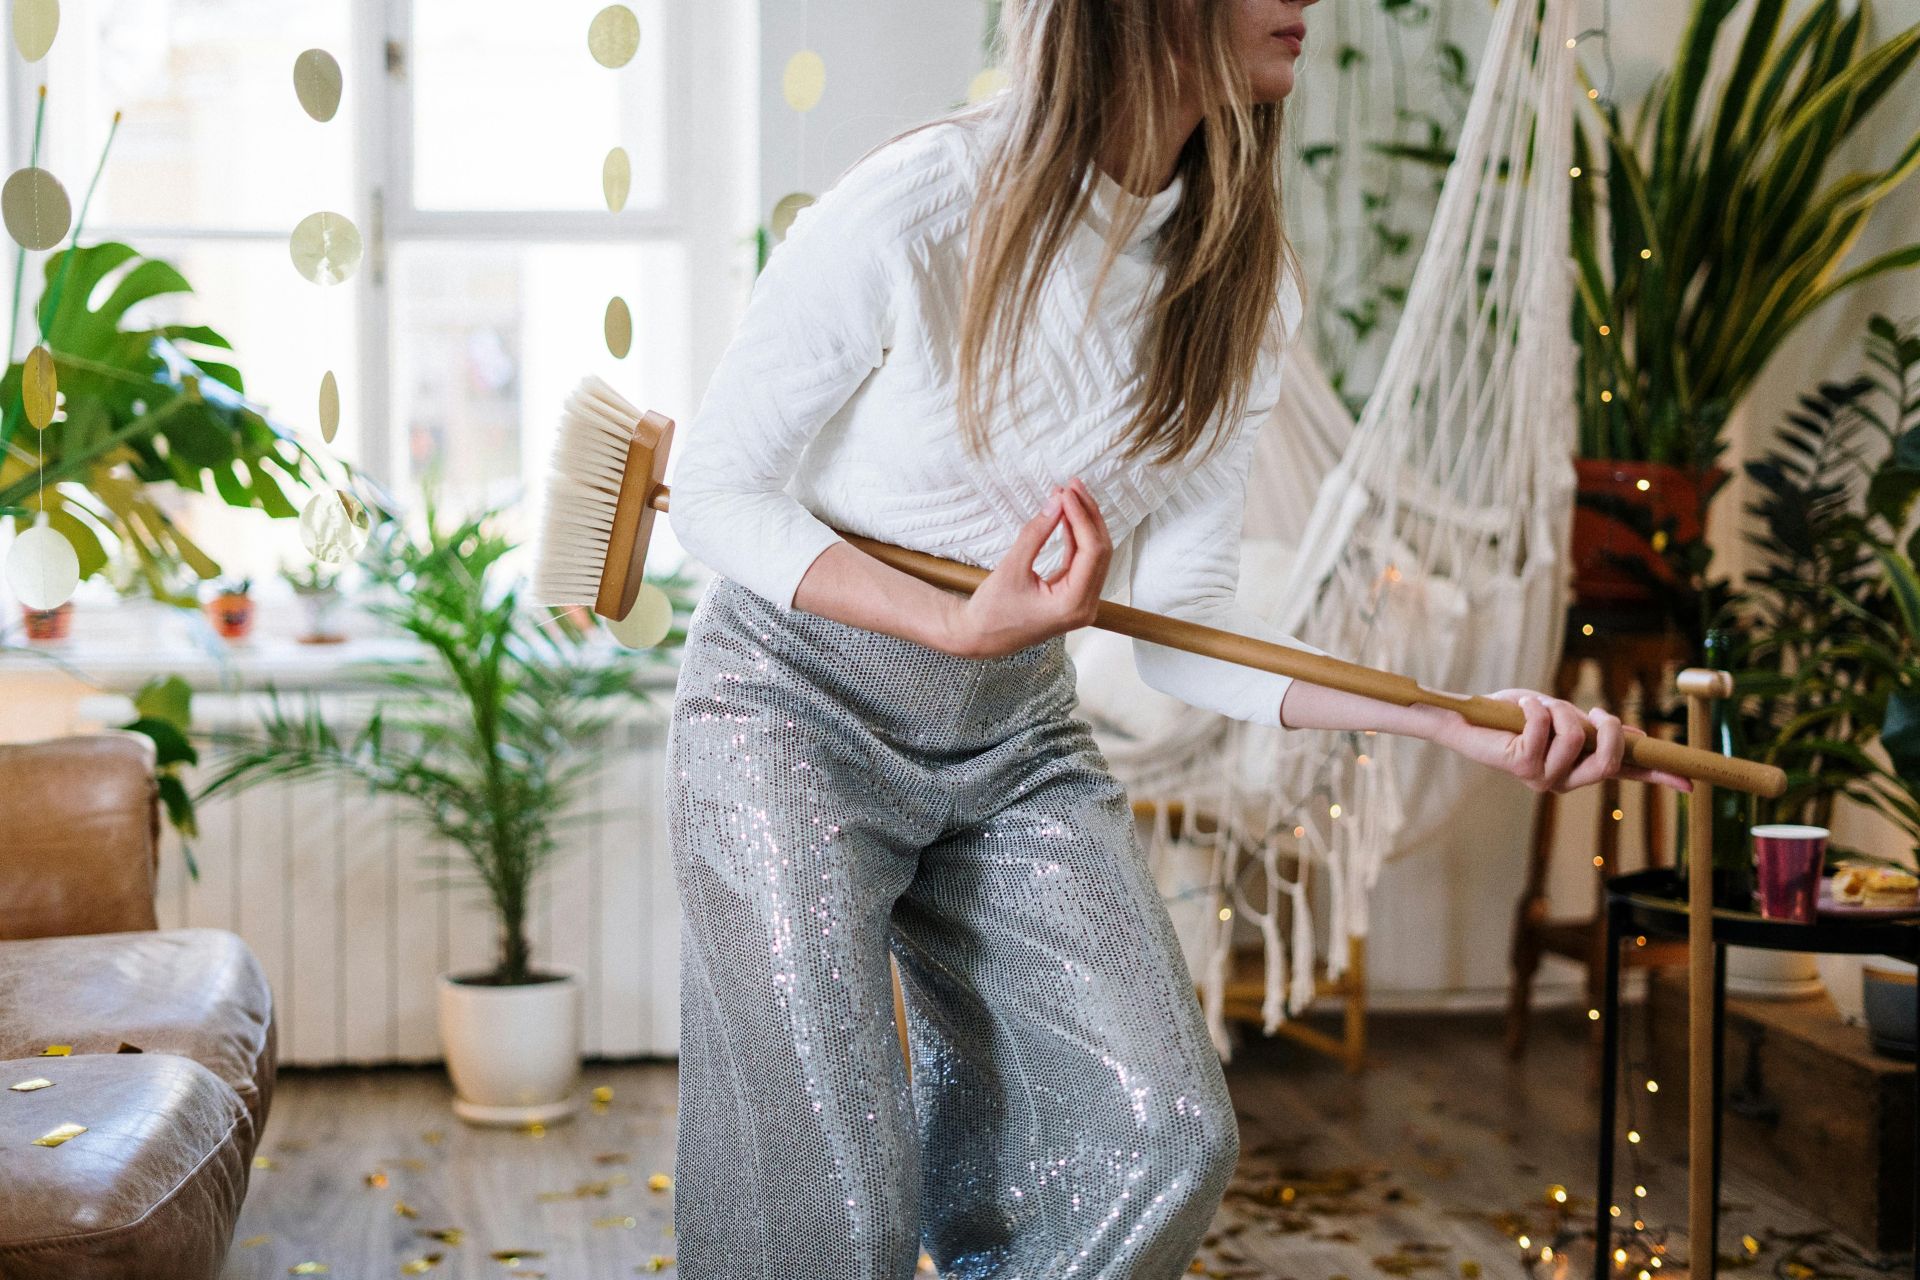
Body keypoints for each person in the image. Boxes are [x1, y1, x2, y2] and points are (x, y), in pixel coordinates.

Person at [662, 1, 1691, 1275]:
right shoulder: (919, 205)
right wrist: (951, 617)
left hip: (1011, 740)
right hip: (788, 709)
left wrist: (1444, 719)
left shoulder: (1240, 290)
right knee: (831, 1199)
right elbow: (714, 492)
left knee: (1165, 1138)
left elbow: (1188, 639)